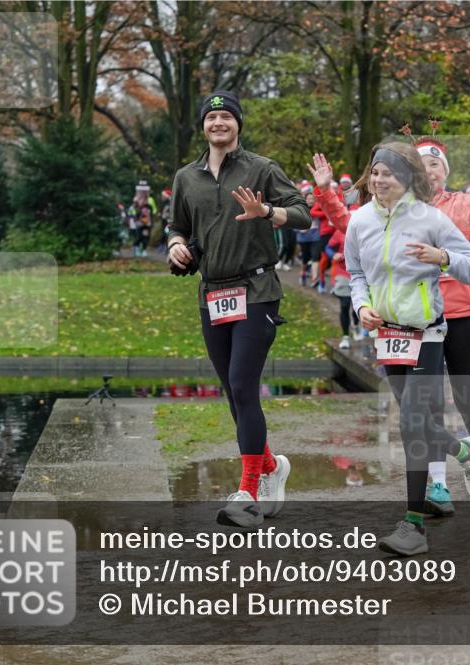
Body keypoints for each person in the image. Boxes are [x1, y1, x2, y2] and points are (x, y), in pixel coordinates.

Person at [308, 130, 470, 514]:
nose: (428, 170)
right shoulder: (384, 211)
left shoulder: (460, 205)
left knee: (463, 396)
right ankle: (439, 484)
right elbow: (350, 227)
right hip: (406, 323)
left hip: (459, 315)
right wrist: (327, 191)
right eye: (421, 163)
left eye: (434, 164)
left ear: (443, 171)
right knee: (422, 412)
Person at [166, 90, 311, 527]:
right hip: (212, 291)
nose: (219, 124)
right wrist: (176, 246)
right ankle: (270, 466)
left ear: (238, 125)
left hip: (256, 288)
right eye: (212, 118)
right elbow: (177, 225)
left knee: (243, 384)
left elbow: (303, 214)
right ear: (203, 127)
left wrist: (267, 210)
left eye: (227, 117)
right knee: (233, 391)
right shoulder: (186, 177)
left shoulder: (261, 168)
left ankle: (247, 490)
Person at [343, 141, 470, 556]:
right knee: (419, 425)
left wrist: (442, 257)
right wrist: (362, 305)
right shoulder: (360, 222)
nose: (380, 179)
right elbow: (355, 273)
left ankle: (413, 525)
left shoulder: (431, 218)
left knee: (410, 426)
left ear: (406, 179)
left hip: (426, 334)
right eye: (375, 172)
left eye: (388, 173)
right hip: (387, 335)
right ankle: (463, 450)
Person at [324, 229, 359, 348]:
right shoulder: (341, 231)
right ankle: (345, 337)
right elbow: (328, 247)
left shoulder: (368, 228)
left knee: (357, 306)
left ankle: (356, 323)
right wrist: (333, 254)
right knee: (345, 304)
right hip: (343, 272)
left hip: (361, 273)